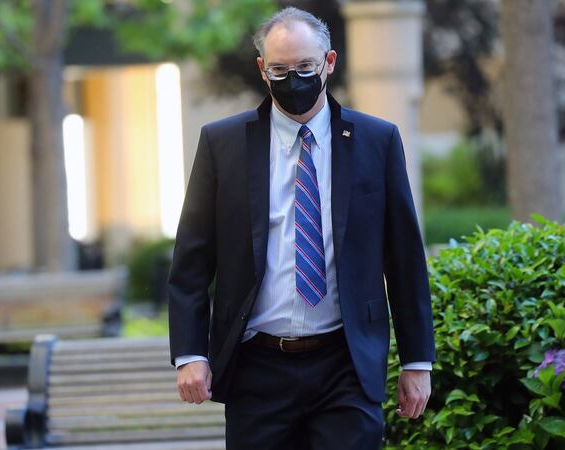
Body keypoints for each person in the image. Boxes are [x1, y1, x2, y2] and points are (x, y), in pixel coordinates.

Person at [167, 7, 436, 450]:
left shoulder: (376, 141)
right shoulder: (223, 143)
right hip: (257, 366)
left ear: (329, 62)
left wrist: (417, 360)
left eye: (306, 67)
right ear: (262, 69)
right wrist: (190, 353)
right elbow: (191, 261)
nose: (294, 79)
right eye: (280, 70)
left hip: (345, 363)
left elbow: (404, 258)